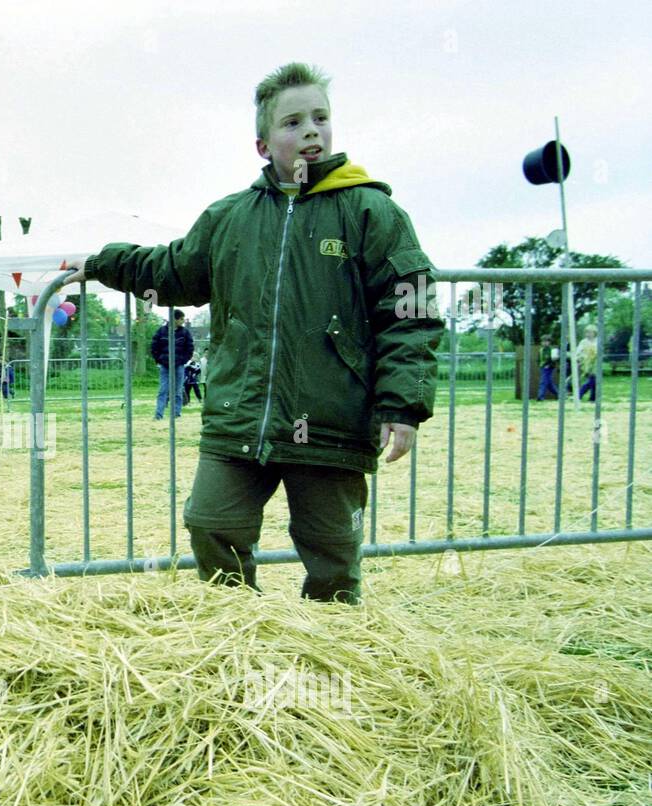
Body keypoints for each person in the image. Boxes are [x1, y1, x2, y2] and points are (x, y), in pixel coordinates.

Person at [66, 62, 443, 603]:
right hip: (239, 417)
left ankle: (333, 654)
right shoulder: (230, 217)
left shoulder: (371, 211)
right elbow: (169, 270)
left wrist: (402, 406)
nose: (310, 130)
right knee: (210, 524)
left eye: (320, 117)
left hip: (331, 420)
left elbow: (411, 310)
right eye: (292, 122)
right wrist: (104, 263)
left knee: (330, 550)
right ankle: (239, 633)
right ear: (263, 145)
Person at [151, 309, 194, 419]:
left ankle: (176, 414)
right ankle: (158, 415)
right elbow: (154, 346)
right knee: (163, 390)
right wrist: (159, 359)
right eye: (181, 319)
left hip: (179, 365)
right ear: (175, 319)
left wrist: (183, 360)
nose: (183, 321)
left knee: (178, 391)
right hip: (165, 365)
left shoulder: (185, 332)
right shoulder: (161, 331)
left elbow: (190, 348)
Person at [577, 324, 599, 402]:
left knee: (594, 381)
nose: (588, 334)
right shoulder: (583, 342)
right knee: (592, 381)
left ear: (594, 333)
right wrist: (580, 359)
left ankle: (592, 398)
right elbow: (578, 352)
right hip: (586, 363)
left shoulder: (597, 341)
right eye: (587, 332)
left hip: (596, 363)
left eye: (590, 332)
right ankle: (579, 394)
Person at [537, 335, 559, 400]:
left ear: (549, 342)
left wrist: (549, 365)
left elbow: (554, 360)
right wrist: (539, 365)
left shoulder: (551, 350)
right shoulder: (540, 350)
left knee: (543, 382)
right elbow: (539, 359)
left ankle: (540, 396)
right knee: (549, 384)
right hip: (542, 367)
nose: (544, 343)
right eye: (543, 341)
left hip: (549, 368)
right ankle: (558, 394)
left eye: (546, 341)